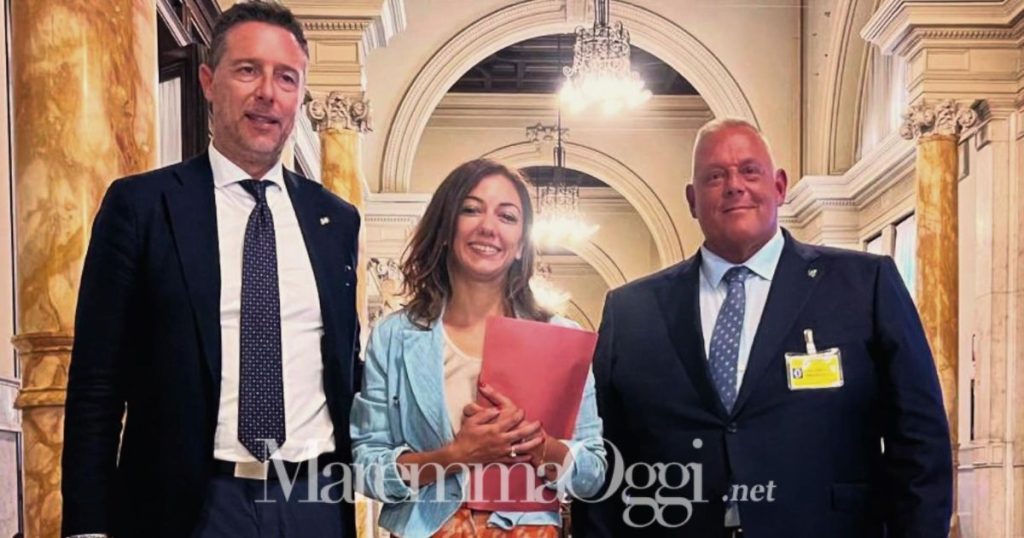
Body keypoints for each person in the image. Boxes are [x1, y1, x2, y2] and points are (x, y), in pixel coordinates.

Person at [61, 3, 361, 537]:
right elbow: (96, 385)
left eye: (286, 78)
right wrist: (87, 526)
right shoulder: (142, 207)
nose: (267, 92)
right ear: (207, 81)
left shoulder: (335, 221)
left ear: (299, 97)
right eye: (248, 70)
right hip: (191, 508)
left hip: (313, 499)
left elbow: (345, 368)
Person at [572, 118, 952, 537]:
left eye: (750, 171)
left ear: (780, 186)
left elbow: (919, 441)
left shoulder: (865, 285)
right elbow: (605, 456)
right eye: (715, 176)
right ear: (692, 200)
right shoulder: (631, 311)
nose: (734, 186)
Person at [350, 159, 606, 537]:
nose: (488, 226)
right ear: (445, 228)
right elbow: (364, 466)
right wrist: (452, 457)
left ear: (521, 245)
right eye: (471, 209)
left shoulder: (560, 338)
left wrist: (542, 448)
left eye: (507, 216)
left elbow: (593, 475)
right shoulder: (394, 336)